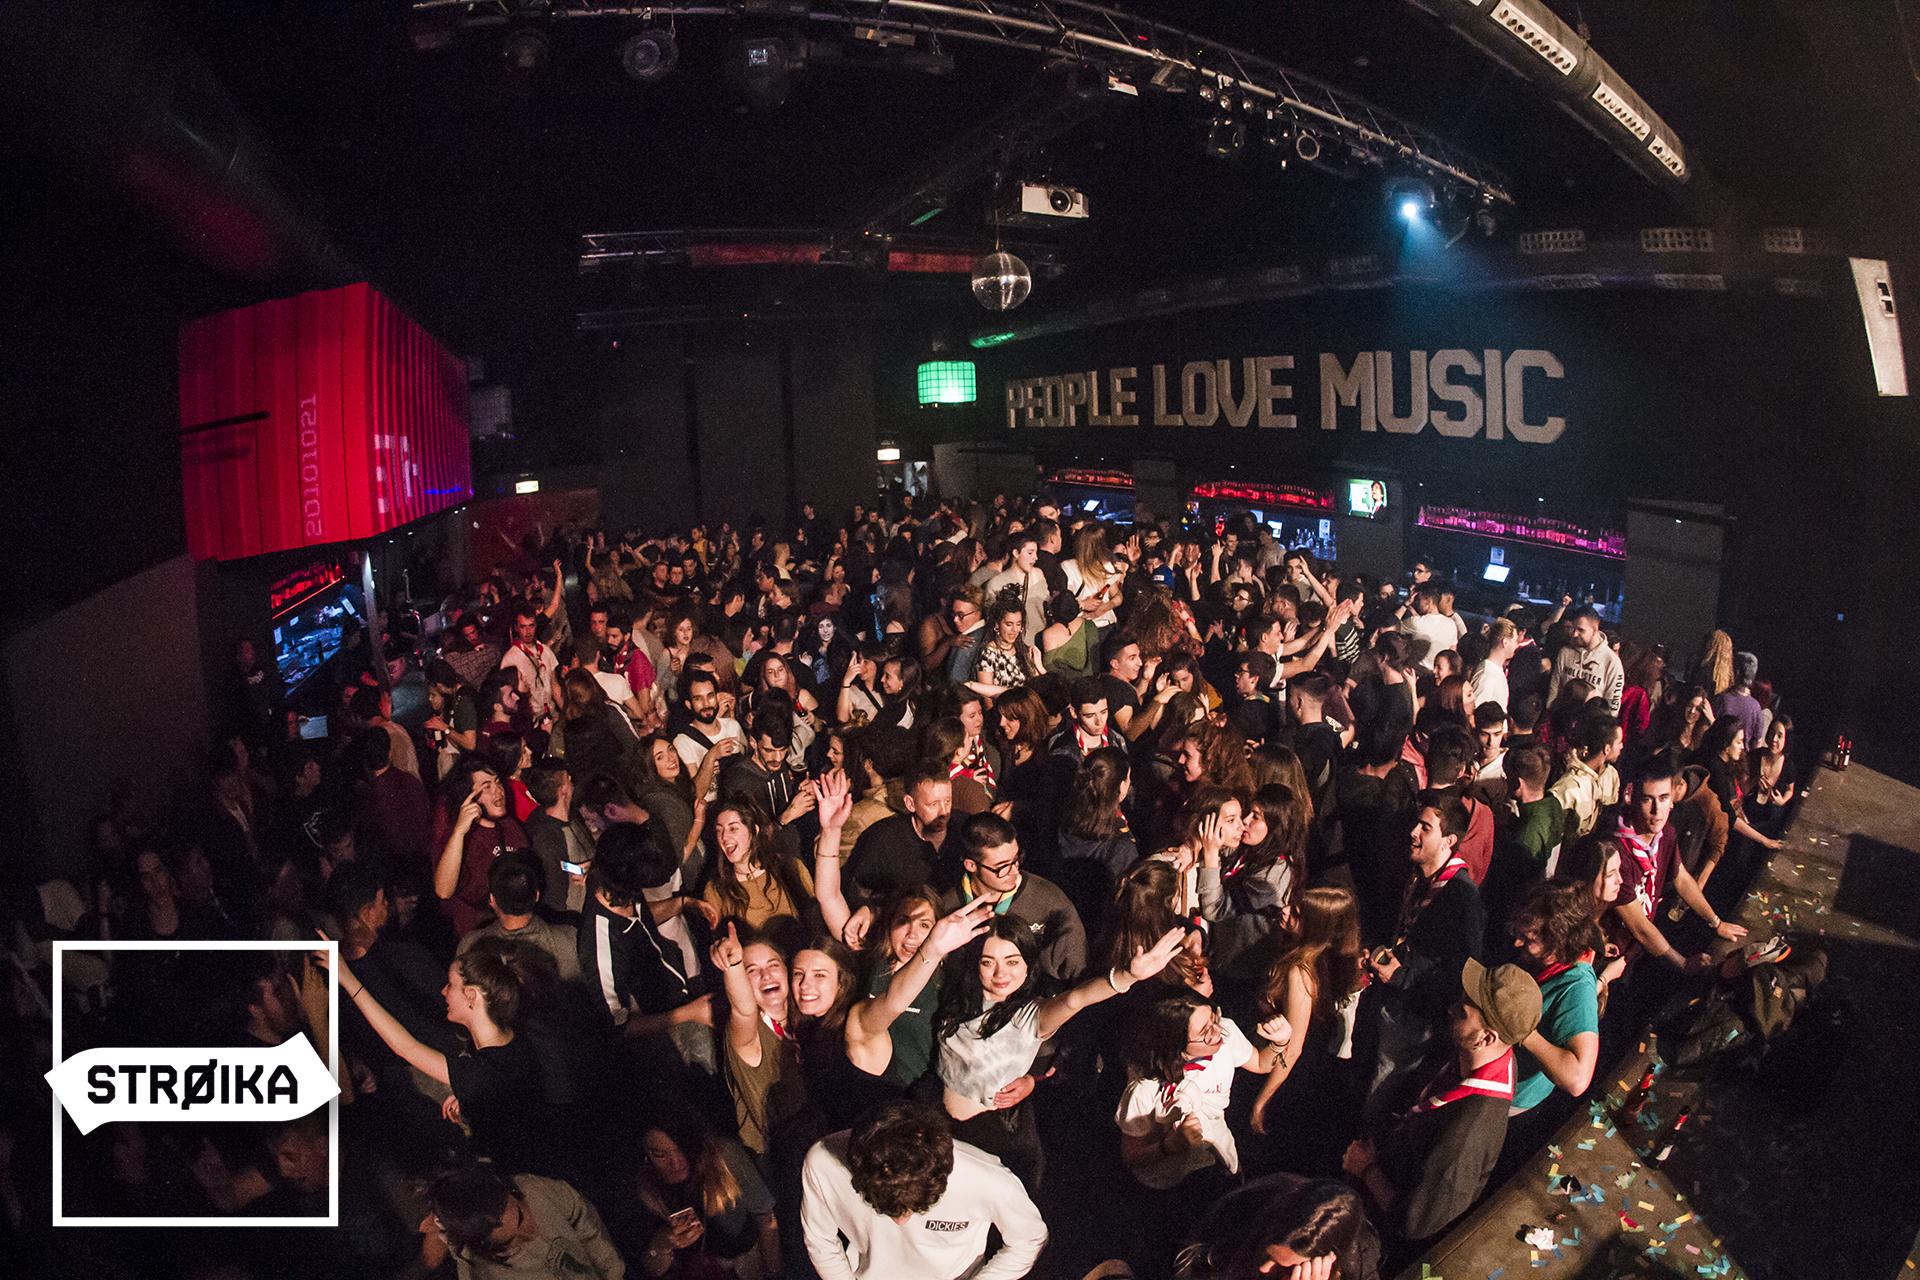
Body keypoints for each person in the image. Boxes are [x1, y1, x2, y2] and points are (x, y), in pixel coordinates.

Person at [934, 918, 1185, 1189]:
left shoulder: (1029, 1015)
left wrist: (1128, 976)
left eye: (1012, 961)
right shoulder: (956, 998)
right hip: (940, 1130)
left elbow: (1074, 1000)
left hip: (992, 1143)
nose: (1000, 973)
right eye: (988, 962)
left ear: (1027, 964)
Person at [1341, 961, 1541, 1243]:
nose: (1451, 1009)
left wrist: (1366, 1168)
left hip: (1376, 1229)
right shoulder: (1490, 1058)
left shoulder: (1468, 1132)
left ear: (1486, 1037)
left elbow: (1415, 1223)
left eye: (1463, 1011)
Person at [324, 935, 553, 1174]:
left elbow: (406, 1047)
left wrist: (347, 979)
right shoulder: (512, 1041)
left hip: (521, 1178)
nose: (444, 991)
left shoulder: (480, 1075)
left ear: (471, 996)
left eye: (451, 985)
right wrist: (472, 1100)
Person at [801, 1100, 1047, 1280]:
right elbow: (820, 1240)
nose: (901, 1221)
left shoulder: (987, 1179)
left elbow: (1029, 1240)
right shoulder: (823, 1163)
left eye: (915, 1208)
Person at [1117, 991, 1294, 1190]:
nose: (1218, 1031)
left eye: (1214, 1018)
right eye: (1205, 1032)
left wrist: (1280, 1042)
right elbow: (1132, 1156)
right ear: (1176, 1046)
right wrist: (1171, 1145)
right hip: (1173, 1182)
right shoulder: (1145, 1087)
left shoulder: (1225, 1033)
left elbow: (1260, 1063)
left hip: (1218, 1163)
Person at [1247, 886, 1367, 1174]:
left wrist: (1262, 1100)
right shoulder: (1334, 959)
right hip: (1317, 1070)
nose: (1285, 911)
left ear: (1318, 928)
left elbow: (1293, 1047)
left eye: (1297, 913)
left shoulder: (1301, 972)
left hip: (1292, 1078)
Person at [938, 811, 1088, 985]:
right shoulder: (947, 908)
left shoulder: (1050, 902)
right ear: (971, 865)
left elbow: (1077, 974)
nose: (1015, 872)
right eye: (1002, 867)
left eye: (1016, 859)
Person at [634, 1110, 780, 1279]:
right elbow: (650, 1268)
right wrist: (662, 1244)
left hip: (744, 1258)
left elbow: (766, 1219)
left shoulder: (723, 1156)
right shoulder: (646, 1188)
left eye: (680, 1149)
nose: (676, 1163)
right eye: (660, 1155)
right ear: (646, 1157)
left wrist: (774, 1275)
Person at [425, 1160, 625, 1280]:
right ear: (484, 1246)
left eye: (520, 1217)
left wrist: (613, 1273)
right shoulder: (479, 1272)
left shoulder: (533, 1189)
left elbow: (583, 1218)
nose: (530, 1234)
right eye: (510, 1241)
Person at [1506, 879, 1601, 1112]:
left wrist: (1524, 1032)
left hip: (1508, 1096)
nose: (1517, 942)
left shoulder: (1577, 987)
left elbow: (1578, 1080)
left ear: (1557, 941)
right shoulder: (1541, 959)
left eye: (1528, 939)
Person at [1176, 1175, 1382, 1280]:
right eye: (1267, 1253)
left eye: (1286, 1268)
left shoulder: (1359, 1266)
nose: (1264, 1268)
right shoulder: (1245, 1207)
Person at [702, 793, 816, 940]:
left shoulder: (790, 867)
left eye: (733, 829)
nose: (724, 837)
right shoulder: (715, 889)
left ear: (754, 831)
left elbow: (816, 923)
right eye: (719, 830)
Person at [1547, 711, 1622, 841]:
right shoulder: (1568, 788)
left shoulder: (1612, 776)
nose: (1622, 746)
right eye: (1619, 742)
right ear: (1607, 749)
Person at [1546, 606, 1624, 716]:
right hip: (1564, 719)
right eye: (1573, 629)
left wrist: (1605, 724)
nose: (1574, 634)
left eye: (1580, 630)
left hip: (1591, 722)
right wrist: (1549, 712)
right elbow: (1554, 686)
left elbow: (1613, 703)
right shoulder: (1565, 652)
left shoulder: (1612, 661)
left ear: (1594, 630)